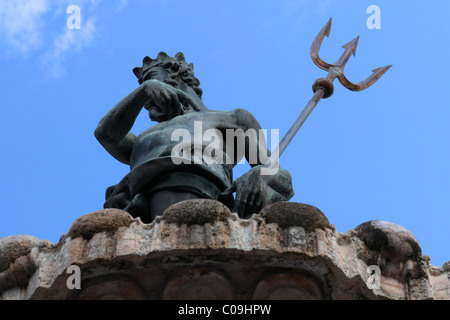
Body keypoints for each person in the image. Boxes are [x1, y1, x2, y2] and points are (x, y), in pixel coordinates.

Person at [95, 52, 294, 223]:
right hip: (140, 217)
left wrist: (260, 173)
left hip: (205, 210)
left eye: (152, 78)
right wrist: (144, 90)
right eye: (145, 87)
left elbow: (282, 179)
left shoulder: (232, 120)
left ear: (177, 76)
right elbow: (105, 134)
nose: (146, 102)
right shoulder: (142, 140)